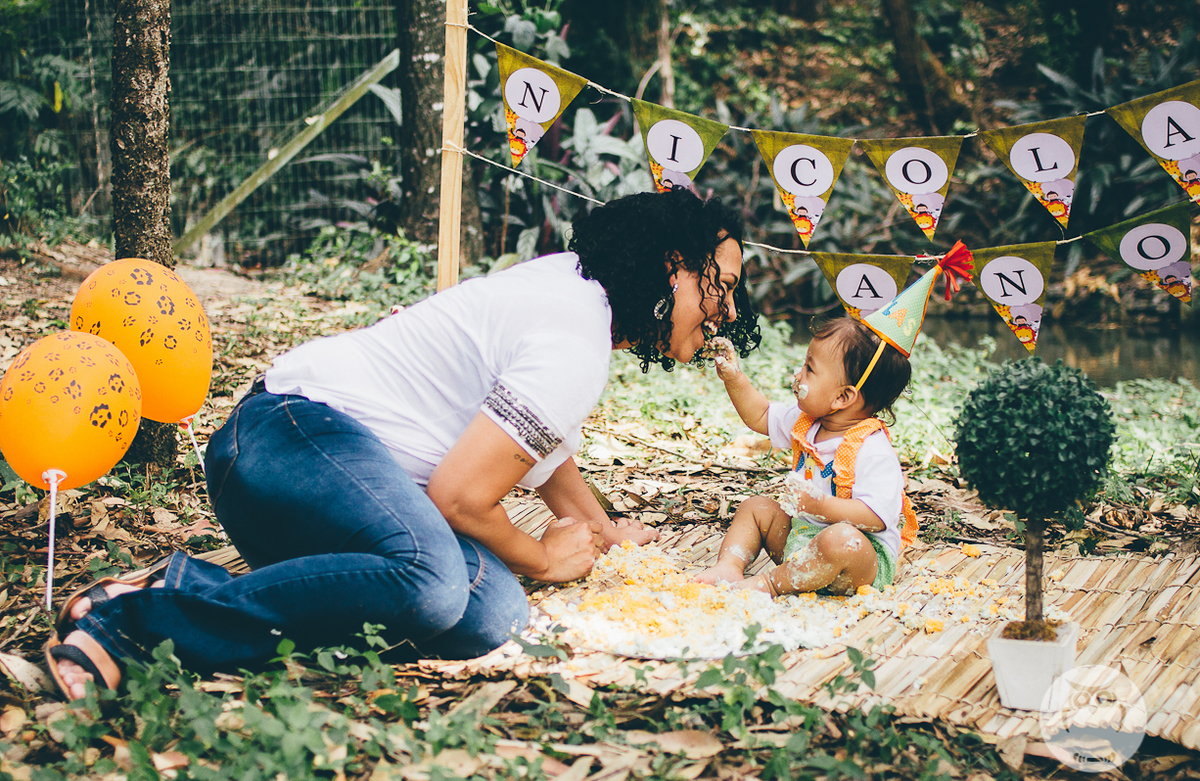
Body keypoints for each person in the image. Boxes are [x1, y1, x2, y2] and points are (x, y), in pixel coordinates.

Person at [44, 190, 762, 700]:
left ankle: (187, 587)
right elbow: (459, 497)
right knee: (433, 580)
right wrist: (544, 554)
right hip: (285, 434)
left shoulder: (572, 296)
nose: (726, 312)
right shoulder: (577, 336)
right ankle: (131, 627)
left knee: (492, 615)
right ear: (672, 263)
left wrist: (604, 534)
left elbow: (544, 456)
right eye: (719, 285)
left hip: (322, 492)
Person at [695, 315, 916, 597]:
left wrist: (820, 505)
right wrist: (734, 377)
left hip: (856, 562)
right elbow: (761, 415)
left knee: (841, 539)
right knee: (755, 507)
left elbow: (875, 516)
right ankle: (729, 565)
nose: (798, 375)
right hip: (801, 542)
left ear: (843, 398)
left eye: (809, 369)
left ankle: (772, 583)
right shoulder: (807, 423)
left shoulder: (873, 450)